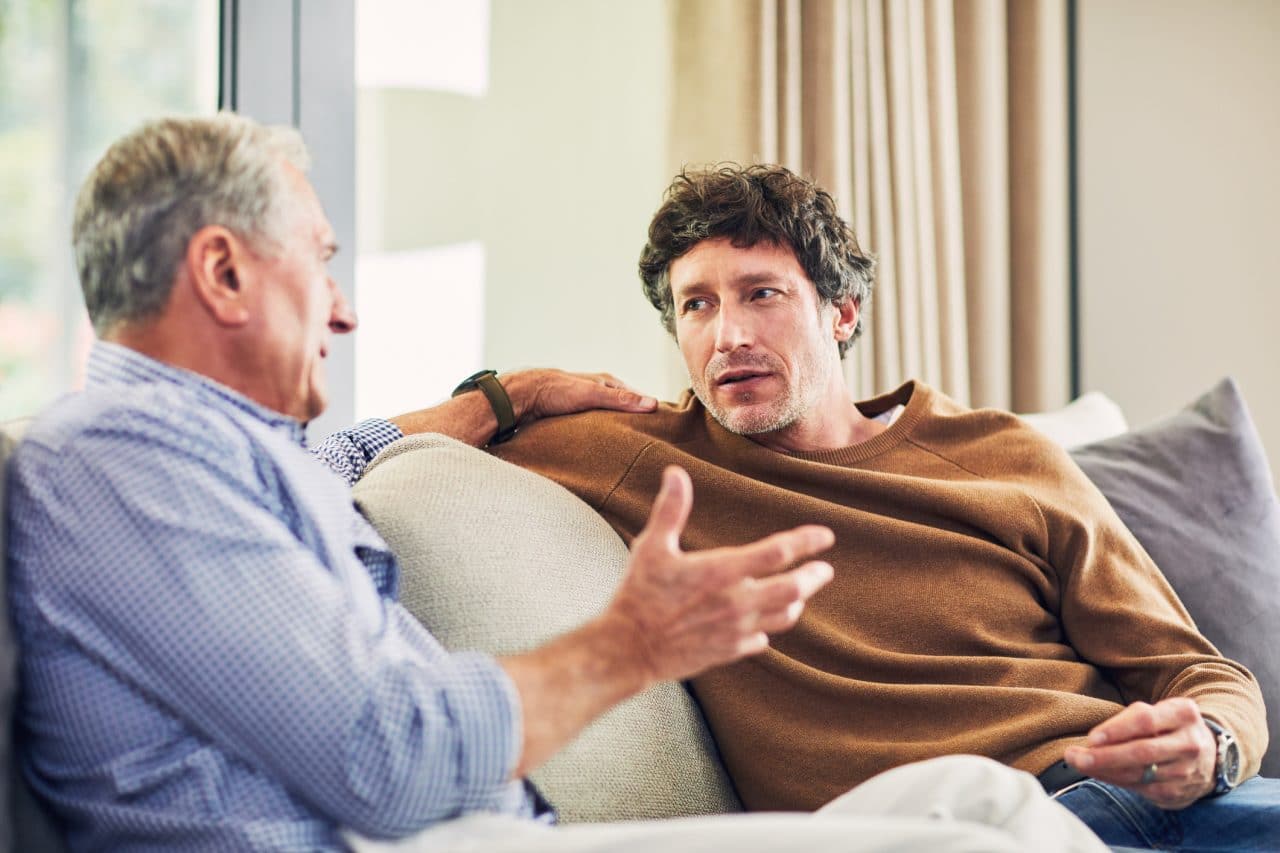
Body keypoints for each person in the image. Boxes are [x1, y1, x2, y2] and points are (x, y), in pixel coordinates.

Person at [3, 114, 1105, 852]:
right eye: (322, 261)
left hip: (488, 833)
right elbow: (386, 759)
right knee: (965, 839)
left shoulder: (207, 452)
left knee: (982, 798)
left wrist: (492, 399)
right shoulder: (120, 462)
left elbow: (333, 459)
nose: (344, 310)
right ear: (225, 272)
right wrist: (632, 643)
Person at [489, 163, 1280, 851]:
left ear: (843, 312)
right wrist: (512, 392)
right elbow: (373, 448)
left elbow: (1197, 670)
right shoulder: (649, 457)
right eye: (696, 305)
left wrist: (1212, 744)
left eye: (760, 293)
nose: (727, 334)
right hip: (971, 831)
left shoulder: (1003, 454)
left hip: (1142, 791)